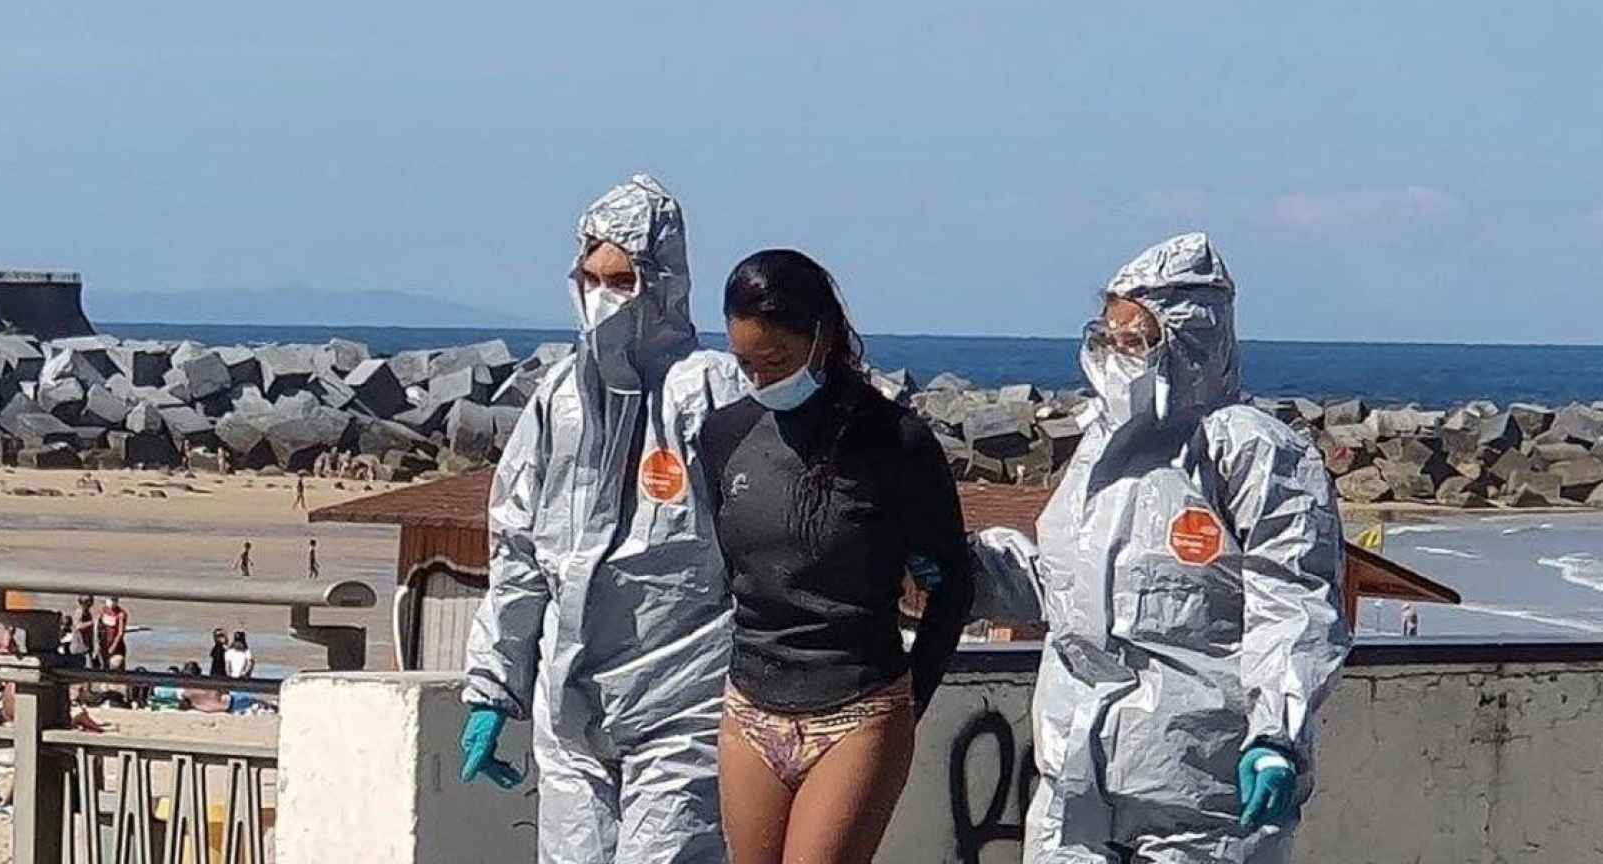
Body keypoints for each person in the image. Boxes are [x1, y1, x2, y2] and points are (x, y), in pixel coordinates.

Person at [969, 233, 1350, 864]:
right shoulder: (1100, 453)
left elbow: (1294, 604)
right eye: (1111, 338)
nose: (1119, 357)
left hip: (1200, 798)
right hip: (1075, 791)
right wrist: (965, 575)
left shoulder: (1254, 454)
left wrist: (1277, 735)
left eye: (1136, 341)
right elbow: (1062, 584)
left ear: (1186, 342)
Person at [460, 175, 745, 864]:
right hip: (571, 706)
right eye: (591, 278)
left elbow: (766, 538)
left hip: (682, 697)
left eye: (621, 280)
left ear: (661, 282)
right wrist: (494, 686)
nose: (603, 298)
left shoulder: (708, 392)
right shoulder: (559, 397)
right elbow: (519, 550)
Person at [698, 250, 974, 863]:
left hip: (858, 708)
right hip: (749, 704)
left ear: (822, 337)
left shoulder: (896, 441)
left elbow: (953, 583)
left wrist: (909, 701)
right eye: (746, 366)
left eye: (776, 362)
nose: (763, 381)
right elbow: (730, 574)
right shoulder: (722, 436)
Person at [96, 597, 129, 671]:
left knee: (117, 667)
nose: (112, 602)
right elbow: (98, 628)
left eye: (115, 600)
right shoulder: (102, 610)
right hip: (103, 646)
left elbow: (120, 633)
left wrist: (112, 648)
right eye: (111, 600)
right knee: (102, 669)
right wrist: (99, 645)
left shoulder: (121, 613)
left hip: (117, 647)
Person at [68, 596, 97, 666]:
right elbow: (78, 626)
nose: (90, 603)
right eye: (87, 601)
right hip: (79, 648)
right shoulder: (80, 611)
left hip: (86, 648)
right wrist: (92, 622)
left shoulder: (87, 612)